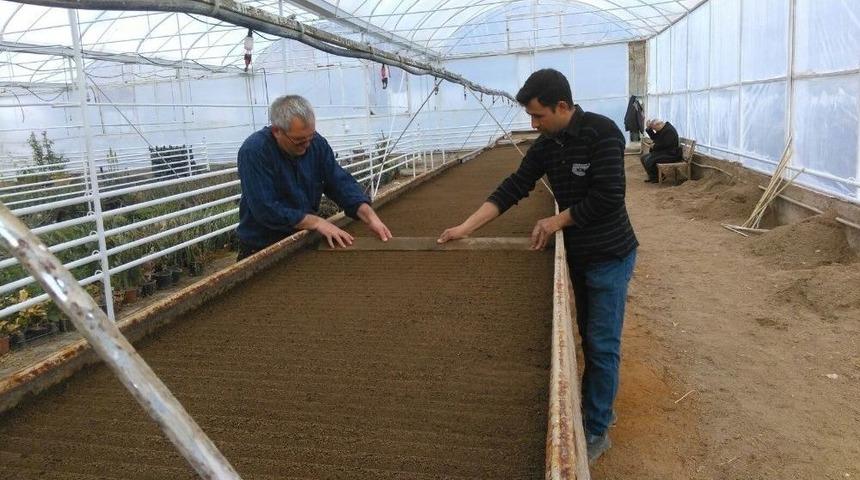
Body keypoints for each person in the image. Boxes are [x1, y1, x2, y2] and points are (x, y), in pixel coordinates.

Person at [437, 69, 637, 464]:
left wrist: (555, 221)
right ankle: (594, 406)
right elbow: (516, 186)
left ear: (562, 106)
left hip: (610, 254)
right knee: (586, 335)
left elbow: (609, 197)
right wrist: (465, 227)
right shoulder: (548, 143)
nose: (533, 123)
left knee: (602, 344)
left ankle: (596, 428)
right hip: (578, 254)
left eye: (538, 115)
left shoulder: (603, 133)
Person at [236, 95, 392, 260]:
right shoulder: (255, 151)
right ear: (277, 131)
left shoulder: (316, 144)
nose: (307, 145)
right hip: (262, 247)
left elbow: (338, 181)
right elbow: (265, 208)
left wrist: (368, 214)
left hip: (303, 239)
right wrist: (316, 222)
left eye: (310, 137)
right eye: (299, 140)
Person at [640, 118, 681, 183]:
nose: (655, 130)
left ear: (659, 124)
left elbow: (666, 144)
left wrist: (654, 146)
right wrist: (649, 129)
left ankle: (659, 177)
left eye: (654, 129)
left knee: (649, 160)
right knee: (643, 158)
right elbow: (654, 137)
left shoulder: (669, 130)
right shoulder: (663, 128)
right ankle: (654, 177)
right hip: (665, 152)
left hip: (671, 154)